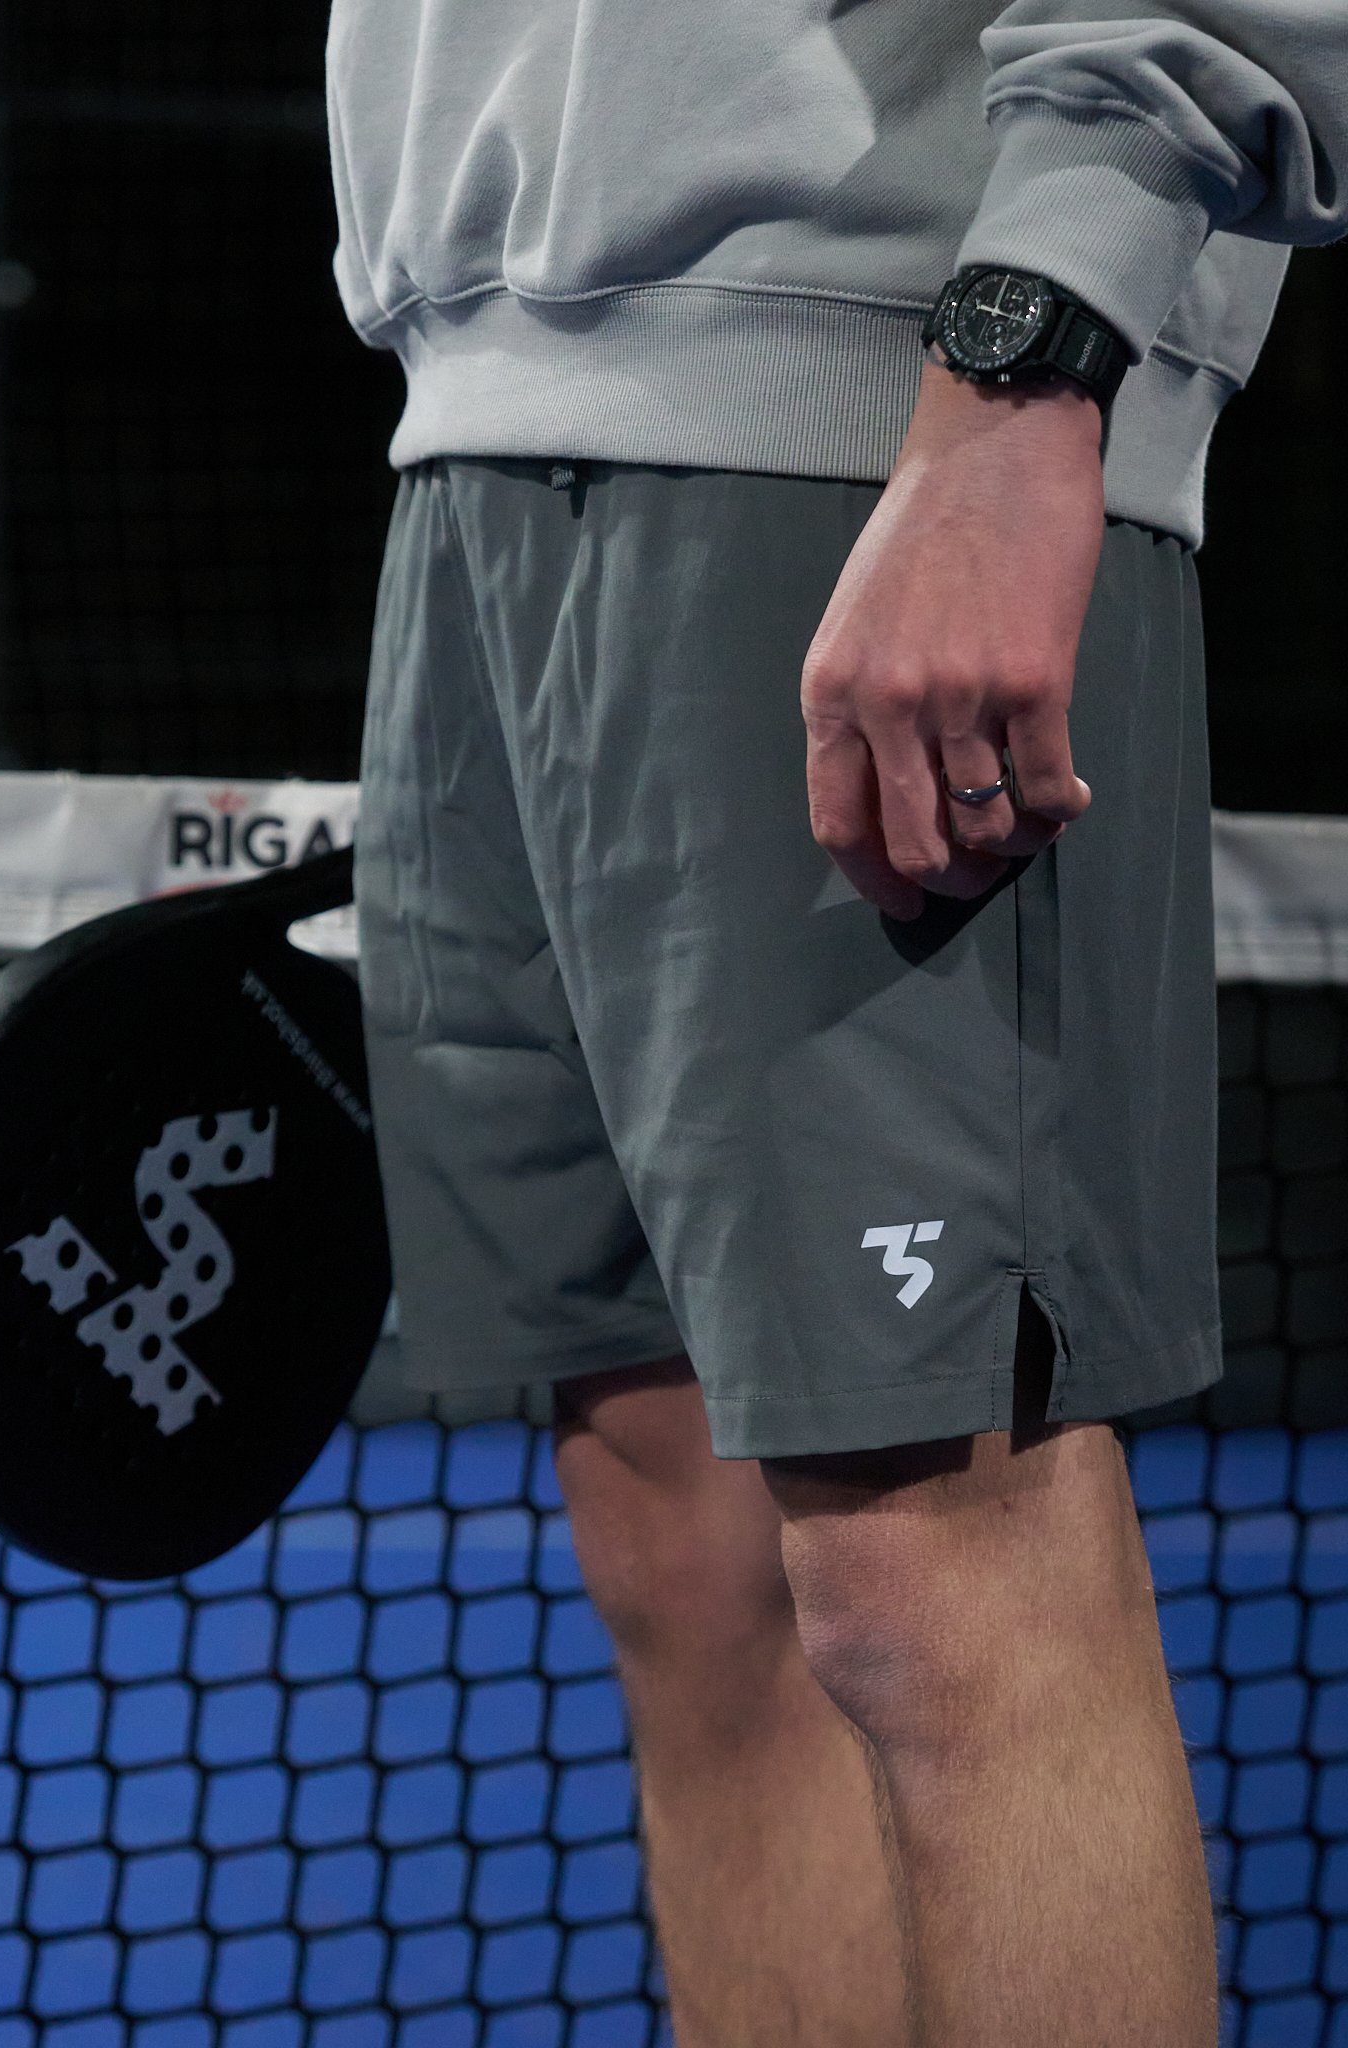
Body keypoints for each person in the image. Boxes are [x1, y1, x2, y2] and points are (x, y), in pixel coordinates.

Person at [324, 4, 1348, 2041]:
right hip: (473, 431)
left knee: (928, 1556)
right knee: (675, 1536)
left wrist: (1031, 353)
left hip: (874, 416)